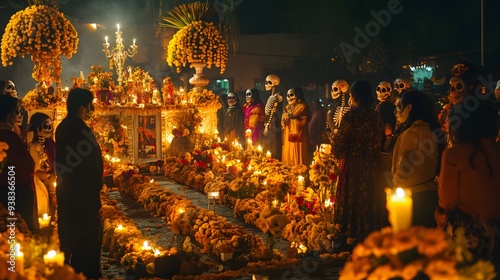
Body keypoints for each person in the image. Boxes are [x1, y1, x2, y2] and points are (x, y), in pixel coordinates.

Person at [435, 100, 500, 270]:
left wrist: (440, 218)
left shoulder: (455, 155)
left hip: (470, 232)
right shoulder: (495, 150)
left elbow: (447, 201)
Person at [55, 88, 103, 279]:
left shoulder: (67, 126)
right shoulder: (77, 129)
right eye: (91, 105)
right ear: (83, 108)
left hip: (72, 194)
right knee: (86, 242)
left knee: (72, 239)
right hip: (82, 198)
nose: (92, 110)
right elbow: (85, 167)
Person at [332, 80, 386, 243]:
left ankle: (351, 235)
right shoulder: (376, 117)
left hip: (354, 166)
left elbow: (340, 145)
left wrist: (336, 146)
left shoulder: (351, 116)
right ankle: (369, 234)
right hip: (373, 166)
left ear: (354, 96)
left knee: (354, 198)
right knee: (370, 199)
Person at [392, 89, 442, 228]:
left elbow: (404, 167)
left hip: (412, 197)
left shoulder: (412, 133)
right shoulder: (431, 131)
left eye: (399, 107)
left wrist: (394, 188)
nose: (396, 112)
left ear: (409, 108)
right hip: (431, 195)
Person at [0, 94, 38, 232]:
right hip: (14, 195)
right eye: (17, 110)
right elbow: (24, 167)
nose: (19, 114)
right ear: (9, 114)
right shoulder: (10, 138)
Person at [28, 113, 56, 217]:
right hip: (38, 181)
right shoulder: (34, 147)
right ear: (37, 128)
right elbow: (34, 169)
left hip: (50, 180)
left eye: (50, 126)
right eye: (46, 126)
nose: (49, 129)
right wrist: (46, 176)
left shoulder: (51, 145)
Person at [281, 87, 310, 166]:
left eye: (291, 95)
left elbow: (303, 120)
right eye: (287, 95)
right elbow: (283, 120)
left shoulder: (302, 106)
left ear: (297, 95)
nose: (289, 97)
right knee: (289, 150)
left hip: (298, 133)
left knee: (297, 150)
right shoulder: (287, 107)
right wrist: (287, 121)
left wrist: (291, 118)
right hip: (288, 132)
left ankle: (299, 169)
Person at [262, 74, 283, 159]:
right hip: (269, 122)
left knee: (273, 143)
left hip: (274, 123)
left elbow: (274, 111)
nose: (266, 84)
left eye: (269, 82)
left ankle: (274, 158)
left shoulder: (278, 96)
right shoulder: (271, 96)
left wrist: (269, 123)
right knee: (268, 143)